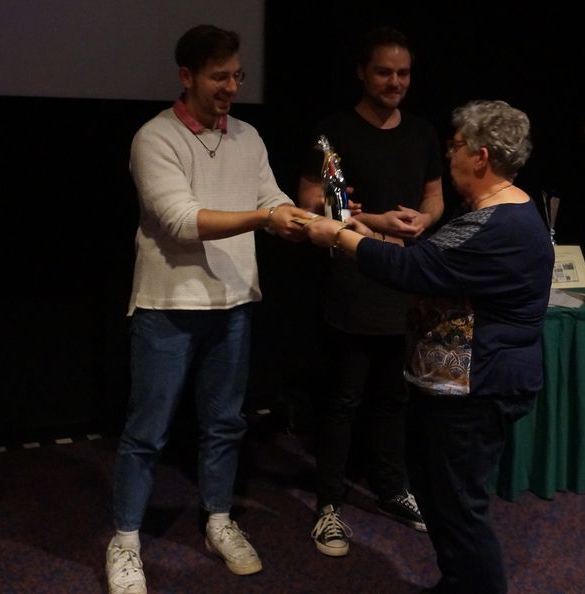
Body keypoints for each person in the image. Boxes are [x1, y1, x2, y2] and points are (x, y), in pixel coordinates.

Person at [304, 100, 553, 593]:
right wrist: (365, 230)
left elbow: (413, 269)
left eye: (455, 145)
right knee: (441, 500)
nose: (448, 154)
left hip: (477, 389)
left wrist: (338, 236)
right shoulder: (487, 213)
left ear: (481, 156)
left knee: (459, 510)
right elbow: (435, 261)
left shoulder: (501, 225)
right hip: (456, 388)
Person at [106, 24, 313, 594]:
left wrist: (315, 221)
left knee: (225, 423)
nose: (231, 87)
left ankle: (219, 520)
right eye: (219, 76)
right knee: (147, 432)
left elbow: (271, 199)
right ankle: (125, 540)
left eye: (237, 75)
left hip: (234, 304)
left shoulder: (248, 136)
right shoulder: (155, 138)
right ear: (187, 76)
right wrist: (265, 218)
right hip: (168, 304)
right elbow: (181, 220)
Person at [298, 26, 442, 555]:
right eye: (384, 72)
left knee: (394, 396)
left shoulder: (423, 132)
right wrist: (362, 219)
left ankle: (391, 488)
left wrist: (423, 220)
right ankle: (328, 504)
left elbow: (434, 198)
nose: (395, 82)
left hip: (404, 280)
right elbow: (308, 201)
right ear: (362, 72)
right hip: (353, 282)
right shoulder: (333, 130)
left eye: (403, 73)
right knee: (343, 398)